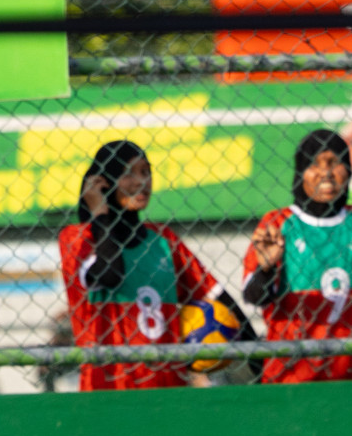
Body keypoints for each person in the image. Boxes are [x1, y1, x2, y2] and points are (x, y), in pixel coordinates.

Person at [57, 139, 254, 390]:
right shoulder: (77, 238)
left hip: (167, 388)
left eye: (146, 172)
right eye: (128, 173)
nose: (141, 182)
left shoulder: (163, 240)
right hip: (108, 390)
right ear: (103, 181)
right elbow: (109, 273)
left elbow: (219, 297)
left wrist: (260, 359)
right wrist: (99, 213)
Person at [242, 129, 352, 383]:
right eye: (314, 164)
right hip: (293, 376)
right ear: (300, 173)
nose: (326, 173)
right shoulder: (278, 224)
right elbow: (253, 297)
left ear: (348, 170)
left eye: (335, 163)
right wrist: (266, 270)